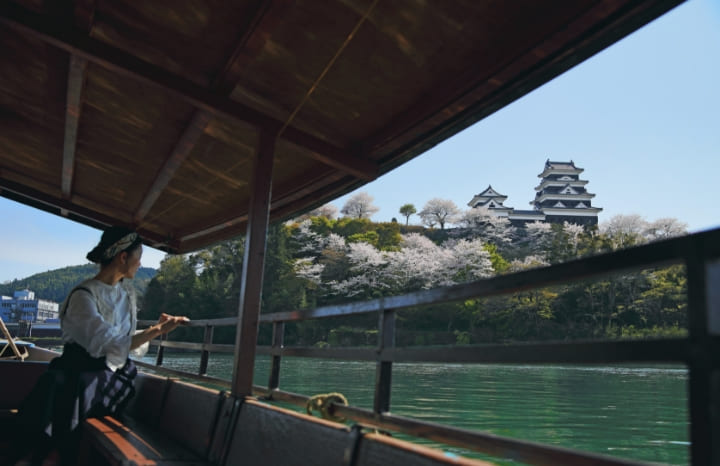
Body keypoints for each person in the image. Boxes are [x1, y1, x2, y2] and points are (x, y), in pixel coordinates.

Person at [12, 226, 189, 465]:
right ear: (123, 257)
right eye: (138, 258)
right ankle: (46, 454)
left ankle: (48, 454)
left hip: (115, 375)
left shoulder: (127, 296)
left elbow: (124, 343)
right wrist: (157, 331)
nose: (139, 264)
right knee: (63, 383)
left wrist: (154, 329)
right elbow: (108, 343)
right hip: (78, 368)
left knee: (72, 386)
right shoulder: (83, 296)